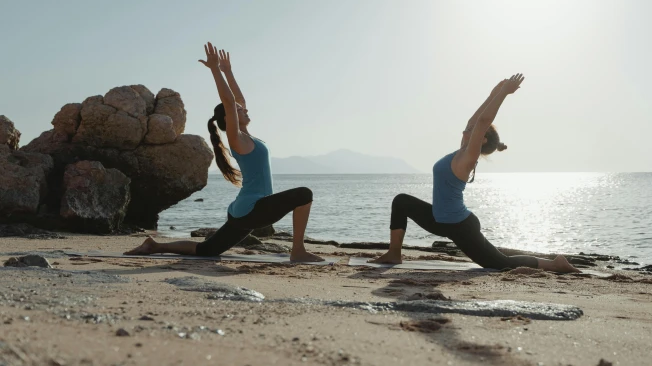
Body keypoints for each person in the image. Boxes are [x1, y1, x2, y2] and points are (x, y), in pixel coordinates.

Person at [125, 42, 323, 262]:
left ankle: (154, 246)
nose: (244, 109)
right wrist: (215, 70)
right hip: (253, 209)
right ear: (230, 119)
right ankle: (298, 250)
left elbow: (237, 100)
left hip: (246, 210)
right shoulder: (237, 140)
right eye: (239, 111)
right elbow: (229, 102)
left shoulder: (248, 137)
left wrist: (228, 71)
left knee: (207, 250)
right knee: (304, 194)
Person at [371, 73, 580, 272]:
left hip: (460, 226)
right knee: (401, 201)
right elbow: (476, 120)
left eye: (471, 132)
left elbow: (482, 122)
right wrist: (493, 93)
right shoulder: (461, 151)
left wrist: (504, 94)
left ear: (482, 139)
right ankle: (394, 253)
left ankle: (555, 264)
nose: (466, 130)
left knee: (500, 263)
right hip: (438, 220)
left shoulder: (468, 158)